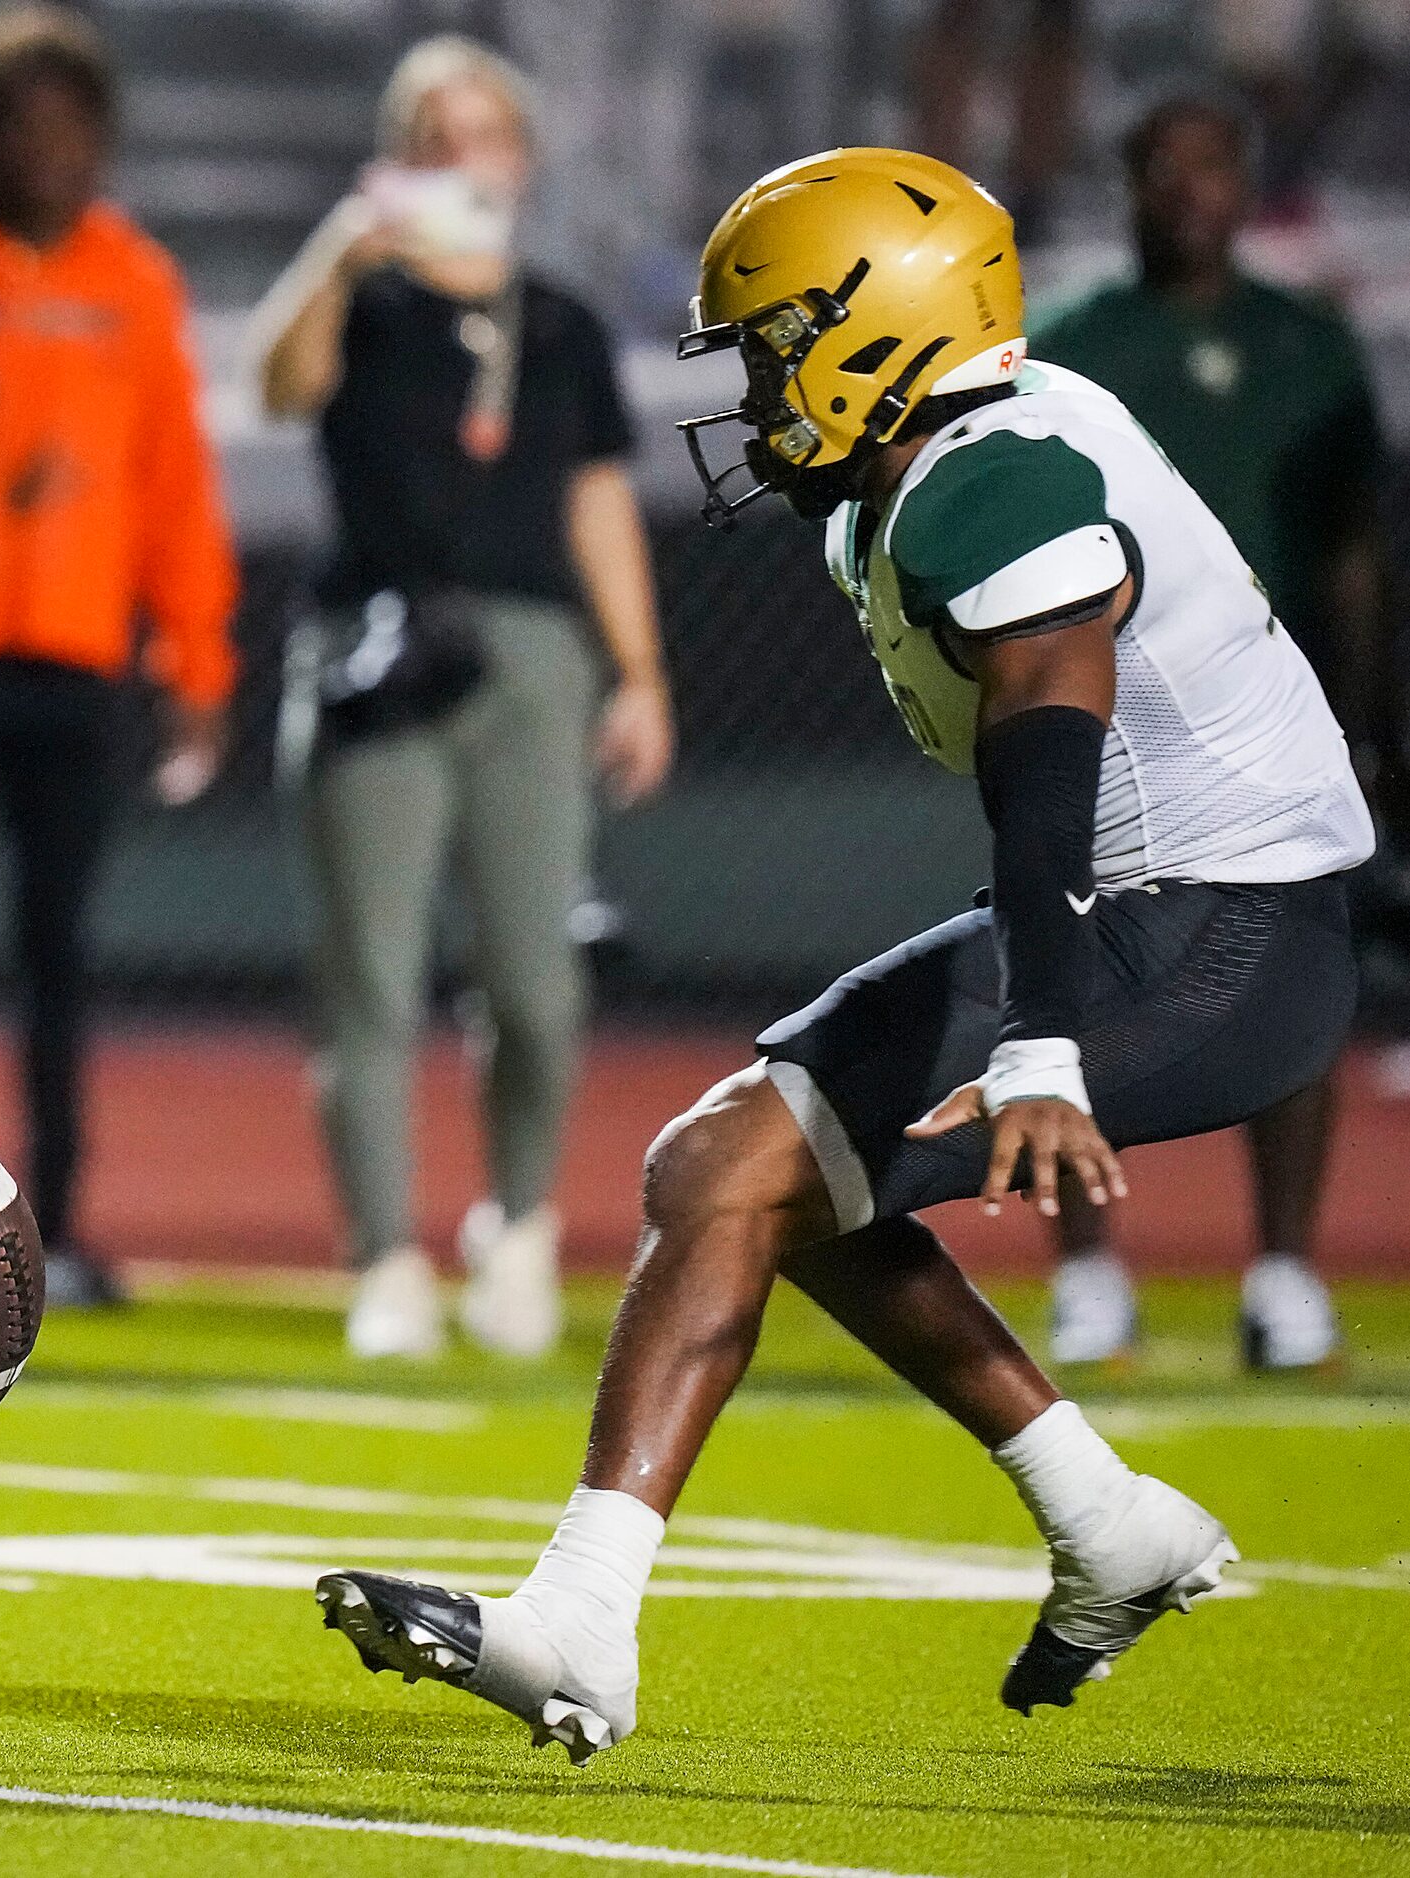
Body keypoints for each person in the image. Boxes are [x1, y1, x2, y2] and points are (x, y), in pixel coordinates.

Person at [317, 149, 1371, 1758]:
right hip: (1173, 907)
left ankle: (582, 1624)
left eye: (766, 345)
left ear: (870, 329)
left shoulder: (991, 472)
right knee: (749, 1177)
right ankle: (1107, 1522)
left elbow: (1047, 758)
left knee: (730, 1169)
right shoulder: (947, 459)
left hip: (1218, 922)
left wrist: (1040, 1038)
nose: (750, 391)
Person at [249, 36, 674, 1362]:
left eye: (481, 130)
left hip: (534, 653)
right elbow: (278, 384)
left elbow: (599, 498)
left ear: (522, 154)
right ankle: (383, 1256)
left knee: (539, 982)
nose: (457, 155)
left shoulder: (556, 321)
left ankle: (521, 1220)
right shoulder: (363, 300)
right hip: (374, 646)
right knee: (371, 975)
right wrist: (343, 247)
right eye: (430, 131)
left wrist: (641, 671)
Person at [0, 7, 238, 1303]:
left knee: (58, 956)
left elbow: (174, 487)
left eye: (73, 125)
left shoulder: (133, 279)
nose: (50, 150)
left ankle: (59, 1227)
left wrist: (197, 661)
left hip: (77, 666)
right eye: (20, 125)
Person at [1028, 94, 1388, 1370]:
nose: (1189, 192)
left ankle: (1285, 1273)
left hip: (1271, 712)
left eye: (1213, 166)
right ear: (1127, 186)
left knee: (1292, 987)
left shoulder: (1307, 345)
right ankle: (1087, 1275)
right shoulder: (1073, 345)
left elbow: (1352, 552)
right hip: (1107, 707)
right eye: (1163, 171)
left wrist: (1360, 712)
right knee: (1079, 978)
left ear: (1247, 183)